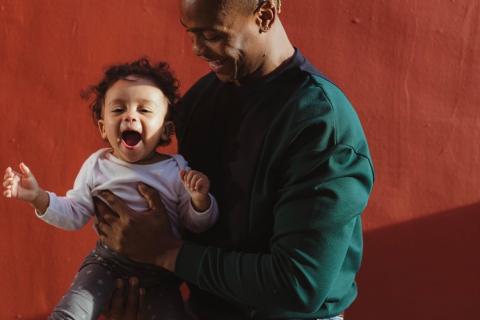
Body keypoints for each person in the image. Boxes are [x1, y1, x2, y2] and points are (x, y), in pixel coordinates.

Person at [95, 0, 375, 319]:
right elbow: (188, 224)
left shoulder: (319, 122)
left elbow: (300, 283)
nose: (197, 49)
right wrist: (137, 286)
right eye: (191, 33)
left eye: (212, 34)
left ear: (265, 14)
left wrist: (167, 252)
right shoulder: (200, 101)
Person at [2, 58, 219, 320]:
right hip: (107, 263)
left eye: (144, 110)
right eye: (118, 110)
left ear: (166, 130)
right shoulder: (97, 165)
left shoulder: (176, 169)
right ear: (104, 128)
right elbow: (74, 213)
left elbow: (195, 224)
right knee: (70, 313)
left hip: (161, 271)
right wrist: (39, 198)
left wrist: (200, 201)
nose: (130, 116)